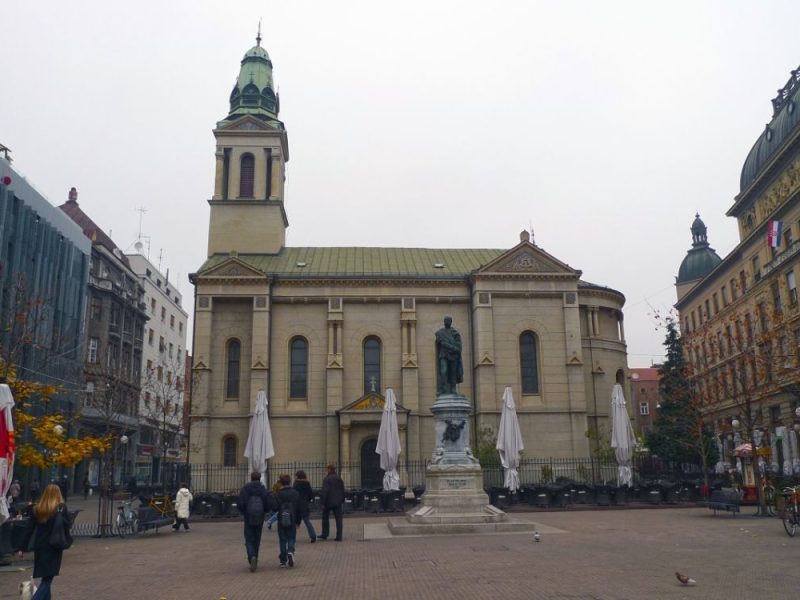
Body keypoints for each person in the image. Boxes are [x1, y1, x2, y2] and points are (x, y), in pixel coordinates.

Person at [18, 484, 72, 600]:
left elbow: (29, 529)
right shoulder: (61, 508)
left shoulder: (37, 509)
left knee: (46, 578)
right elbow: (67, 526)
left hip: (40, 546)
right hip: (54, 546)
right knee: (47, 580)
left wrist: (22, 548)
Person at [237, 472, 273, 573]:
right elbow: (268, 503)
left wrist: (244, 511)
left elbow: (240, 503)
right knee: (257, 538)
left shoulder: (245, 488)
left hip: (248, 516)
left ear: (251, 478)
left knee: (249, 538)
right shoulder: (263, 489)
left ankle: (251, 556)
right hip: (259, 516)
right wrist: (264, 511)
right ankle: (255, 558)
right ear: (260, 478)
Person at [274, 474, 300, 567]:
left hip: (281, 517)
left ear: (281, 483)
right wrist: (298, 521)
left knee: (282, 539)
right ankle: (290, 550)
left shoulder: (278, 494)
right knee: (291, 537)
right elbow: (298, 508)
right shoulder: (295, 493)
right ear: (290, 482)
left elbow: (275, 507)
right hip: (292, 517)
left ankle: (283, 560)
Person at [435, 316, 463, 395]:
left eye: (448, 321)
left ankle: (453, 389)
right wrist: (438, 342)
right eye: (445, 321)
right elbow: (438, 344)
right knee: (443, 371)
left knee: (453, 373)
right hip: (443, 355)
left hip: (454, 356)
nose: (446, 322)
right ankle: (443, 388)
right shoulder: (440, 333)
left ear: (451, 322)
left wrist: (451, 347)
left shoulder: (455, 333)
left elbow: (459, 347)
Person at [319, 464, 345, 541]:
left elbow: (325, 491)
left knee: (325, 518)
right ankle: (339, 536)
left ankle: (325, 534)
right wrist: (342, 499)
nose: (326, 470)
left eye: (327, 469)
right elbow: (342, 489)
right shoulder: (339, 478)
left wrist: (322, 503)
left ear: (330, 469)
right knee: (339, 519)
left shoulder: (327, 479)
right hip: (338, 501)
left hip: (328, 502)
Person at [293, 470, 317, 542]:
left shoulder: (296, 484)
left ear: (298, 476)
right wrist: (307, 501)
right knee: (307, 521)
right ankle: (313, 536)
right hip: (304, 504)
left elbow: (294, 494)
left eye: (296, 475)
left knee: (295, 522)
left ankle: (292, 537)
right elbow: (310, 494)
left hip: (297, 505)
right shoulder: (307, 483)